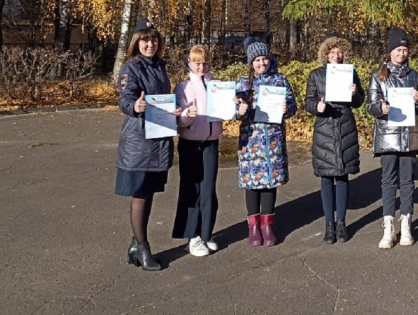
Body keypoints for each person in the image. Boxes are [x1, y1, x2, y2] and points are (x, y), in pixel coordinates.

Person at [115, 18, 181, 271]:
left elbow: (161, 100)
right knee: (141, 193)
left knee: (149, 192)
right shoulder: (131, 67)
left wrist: (173, 110)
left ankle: (136, 244)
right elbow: (125, 98)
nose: (150, 44)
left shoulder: (159, 66)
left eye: (153, 39)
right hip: (140, 141)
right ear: (136, 42)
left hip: (158, 137)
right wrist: (135, 105)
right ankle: (142, 248)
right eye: (145, 40)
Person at [367, 27, 418, 249]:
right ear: (390, 51)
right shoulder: (379, 76)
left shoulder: (414, 76)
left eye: (405, 49)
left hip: (409, 135)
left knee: (408, 181)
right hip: (388, 136)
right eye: (398, 49)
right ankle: (388, 226)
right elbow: (371, 106)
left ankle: (407, 224)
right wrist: (380, 108)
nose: (401, 53)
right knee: (388, 181)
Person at [236, 37, 297, 247]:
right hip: (251, 140)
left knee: (271, 182)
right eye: (257, 60)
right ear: (250, 63)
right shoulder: (243, 83)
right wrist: (240, 110)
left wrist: (287, 109)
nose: (262, 63)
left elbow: (292, 105)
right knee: (252, 183)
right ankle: (253, 227)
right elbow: (233, 110)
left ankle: (267, 225)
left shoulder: (280, 80)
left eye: (265, 59)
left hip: (273, 139)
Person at [305, 34, 365, 244]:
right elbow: (309, 101)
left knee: (342, 176)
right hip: (325, 127)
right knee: (326, 176)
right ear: (326, 54)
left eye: (339, 52)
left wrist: (355, 93)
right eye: (332, 52)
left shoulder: (350, 73)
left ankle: (341, 223)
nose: (336, 55)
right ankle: (329, 224)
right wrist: (317, 107)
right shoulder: (316, 75)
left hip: (345, 125)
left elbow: (359, 101)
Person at [171, 45, 228, 257]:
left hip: (211, 143)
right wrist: (187, 115)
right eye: (197, 63)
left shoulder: (218, 85)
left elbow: (227, 112)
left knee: (208, 190)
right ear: (189, 63)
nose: (201, 66)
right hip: (190, 144)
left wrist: (233, 106)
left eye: (205, 62)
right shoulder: (182, 87)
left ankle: (206, 234)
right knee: (192, 190)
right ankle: (192, 236)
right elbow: (179, 120)